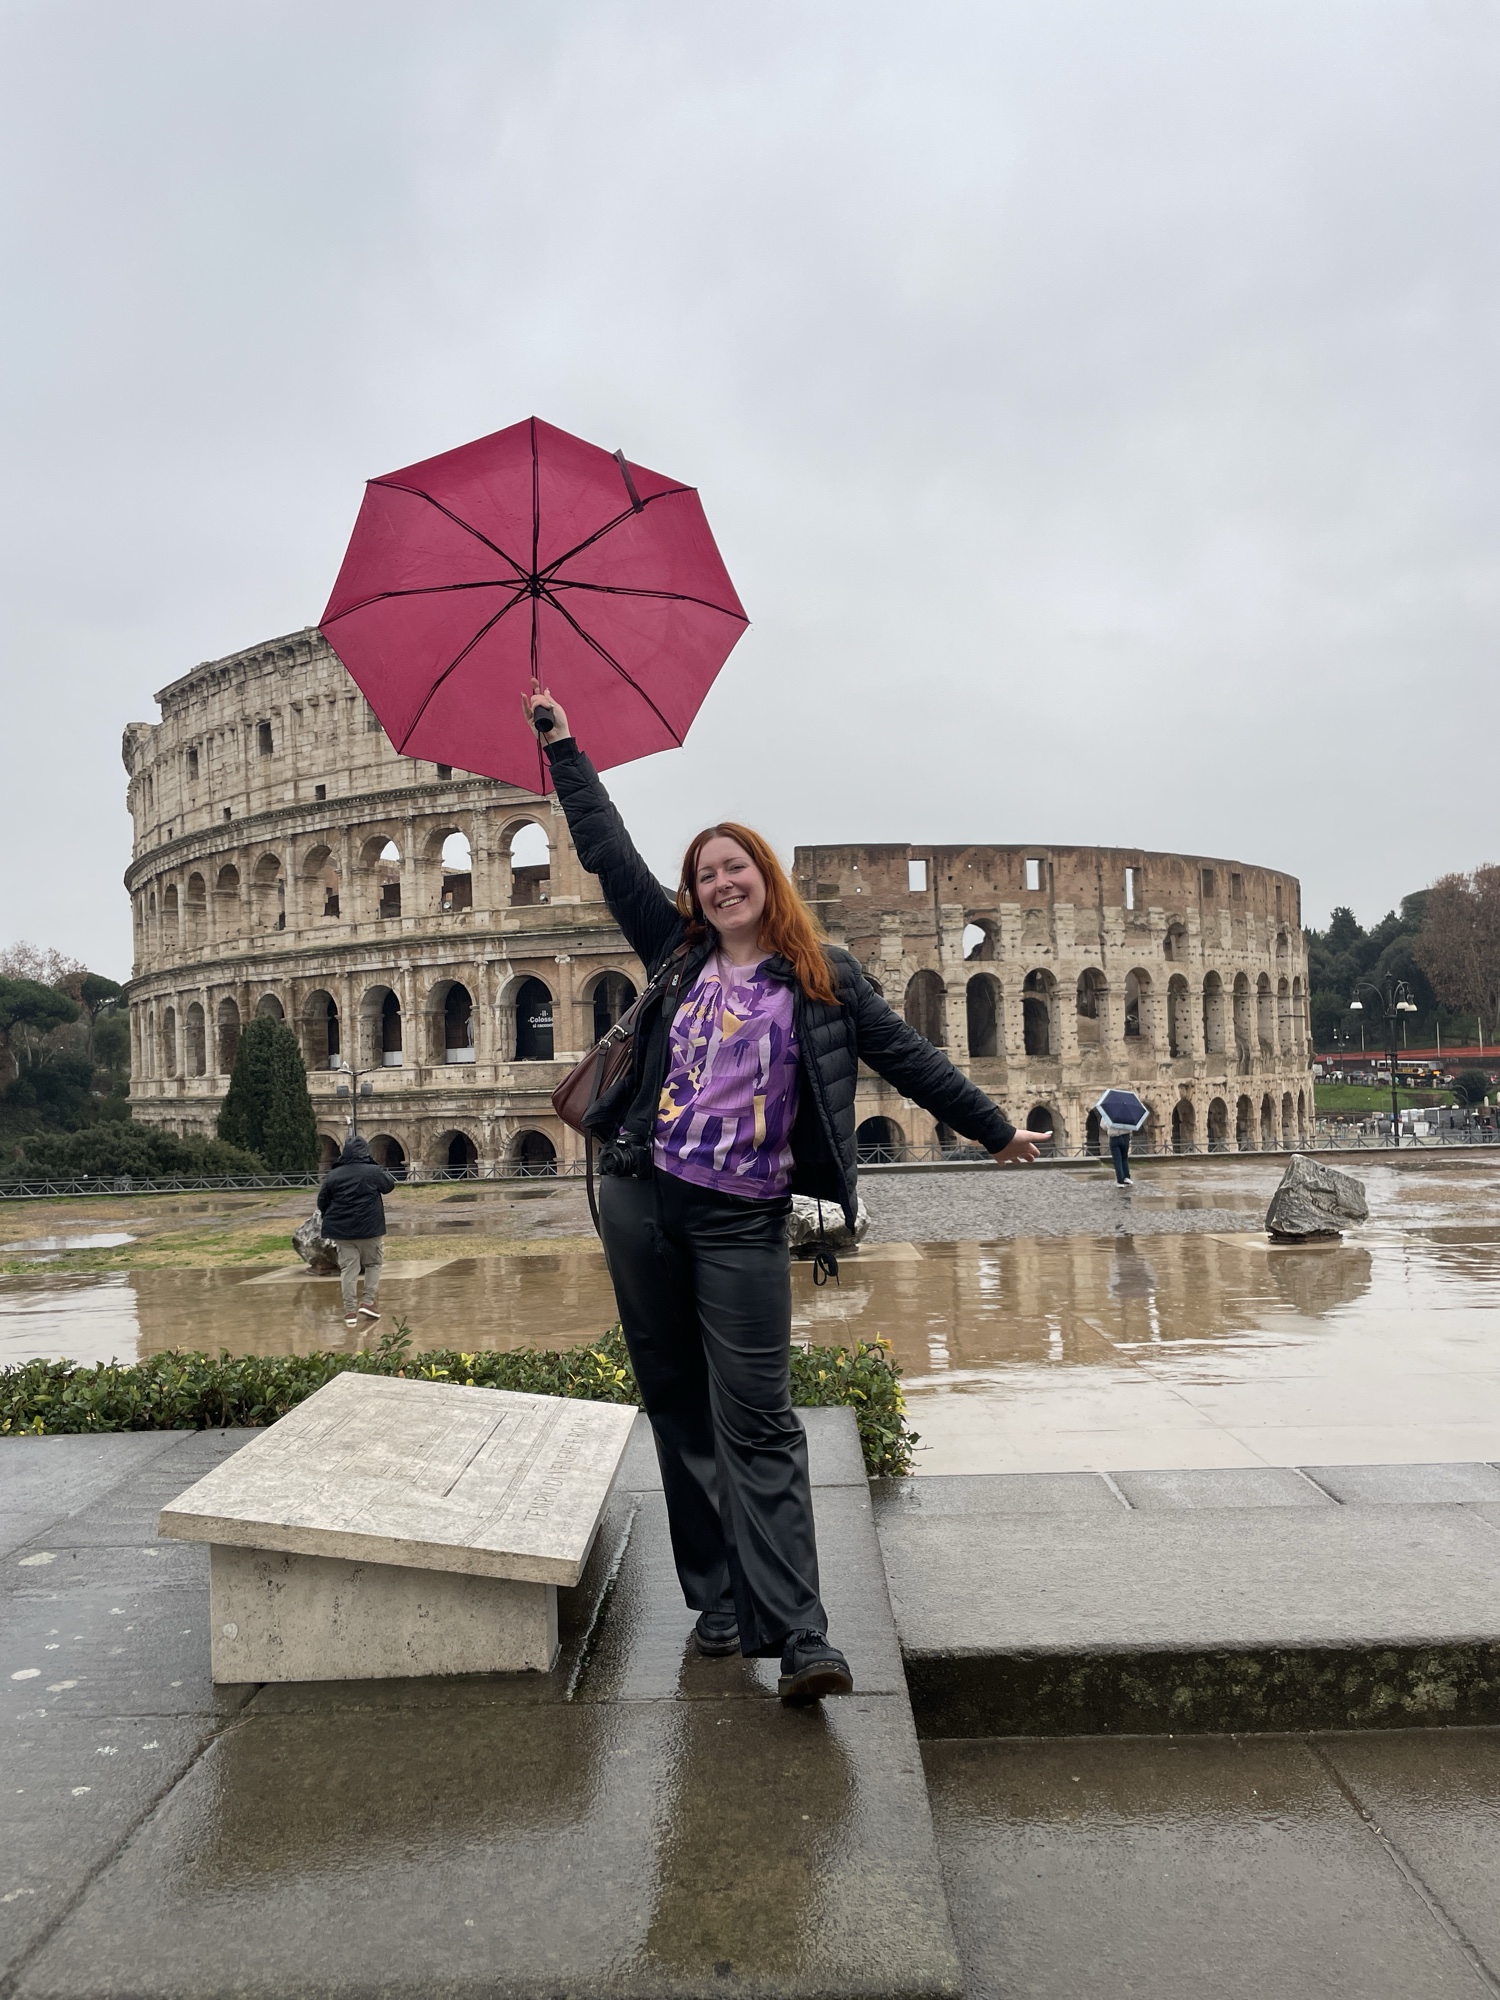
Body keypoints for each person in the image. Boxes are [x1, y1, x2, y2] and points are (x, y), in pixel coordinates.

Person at [523, 686, 1050, 1706]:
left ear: (767, 878)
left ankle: (802, 1631)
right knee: (677, 1406)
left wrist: (993, 1128)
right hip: (641, 1197)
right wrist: (565, 747)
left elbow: (905, 1054)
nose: (722, 883)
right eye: (705, 873)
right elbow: (608, 852)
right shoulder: (675, 952)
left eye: (737, 867)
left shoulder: (824, 976)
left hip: (743, 1215)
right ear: (694, 894)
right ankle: (718, 1600)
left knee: (759, 1415)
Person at [317, 1134, 396, 1332]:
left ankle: (350, 1311)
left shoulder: (334, 1175)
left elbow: (322, 1201)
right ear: (365, 1152)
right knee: (373, 1264)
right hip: (370, 1228)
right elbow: (389, 1186)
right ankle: (368, 1302)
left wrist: (330, 1216)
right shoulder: (372, 1171)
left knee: (348, 1269)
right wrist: (372, 1165)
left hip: (342, 1231)